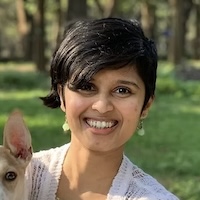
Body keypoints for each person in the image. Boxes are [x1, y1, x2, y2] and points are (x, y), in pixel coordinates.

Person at [26, 17, 179, 200]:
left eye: (122, 90)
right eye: (87, 87)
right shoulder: (17, 178)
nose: (102, 106)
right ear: (61, 95)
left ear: (145, 106)